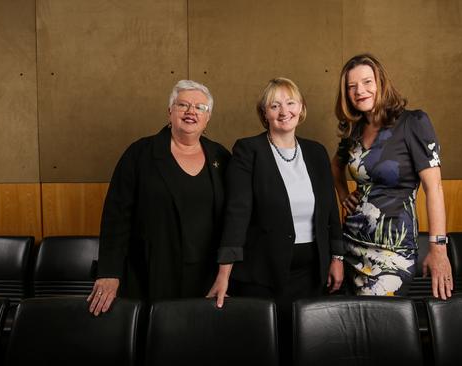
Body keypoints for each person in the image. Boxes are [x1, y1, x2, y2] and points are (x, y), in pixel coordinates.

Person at [207, 77, 344, 363]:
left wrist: (337, 258)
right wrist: (224, 274)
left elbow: (330, 210)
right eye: (275, 105)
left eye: (290, 103)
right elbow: (237, 211)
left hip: (312, 276)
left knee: (308, 350)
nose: (284, 111)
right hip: (263, 274)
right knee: (266, 351)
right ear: (264, 113)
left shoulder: (317, 152)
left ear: (301, 108)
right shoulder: (248, 150)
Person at [87, 80, 231, 315]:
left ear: (208, 117)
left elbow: (234, 217)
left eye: (200, 107)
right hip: (150, 273)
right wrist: (109, 272)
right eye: (182, 104)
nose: (191, 111)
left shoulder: (221, 157)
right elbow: (116, 216)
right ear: (170, 111)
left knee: (199, 345)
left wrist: (226, 273)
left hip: (206, 277)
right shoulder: (139, 154)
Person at [331, 53, 453, 299]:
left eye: (367, 82)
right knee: (353, 326)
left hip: (392, 250)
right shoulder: (353, 130)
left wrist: (438, 248)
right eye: (351, 86)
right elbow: (334, 167)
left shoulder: (413, 122)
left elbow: (434, 189)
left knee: (380, 326)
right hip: (351, 244)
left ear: (381, 83)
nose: (359, 91)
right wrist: (344, 196)